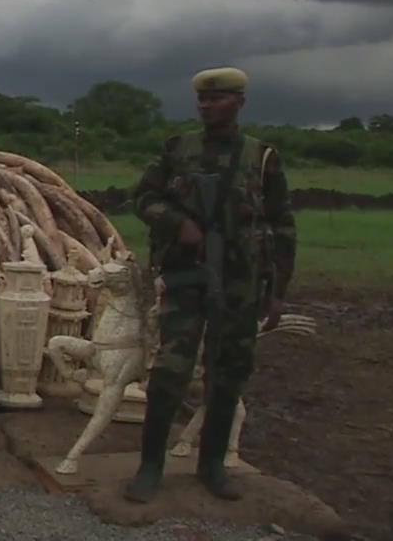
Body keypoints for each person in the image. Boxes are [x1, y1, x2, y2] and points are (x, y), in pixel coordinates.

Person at [124, 67, 296, 504]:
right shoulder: (178, 149)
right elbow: (143, 199)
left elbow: (282, 225)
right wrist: (178, 222)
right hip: (187, 277)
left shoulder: (261, 158)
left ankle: (212, 466)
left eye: (217, 99)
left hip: (240, 284)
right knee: (169, 372)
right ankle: (150, 467)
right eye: (202, 100)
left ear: (239, 102)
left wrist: (277, 292)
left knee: (229, 373)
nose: (206, 106)